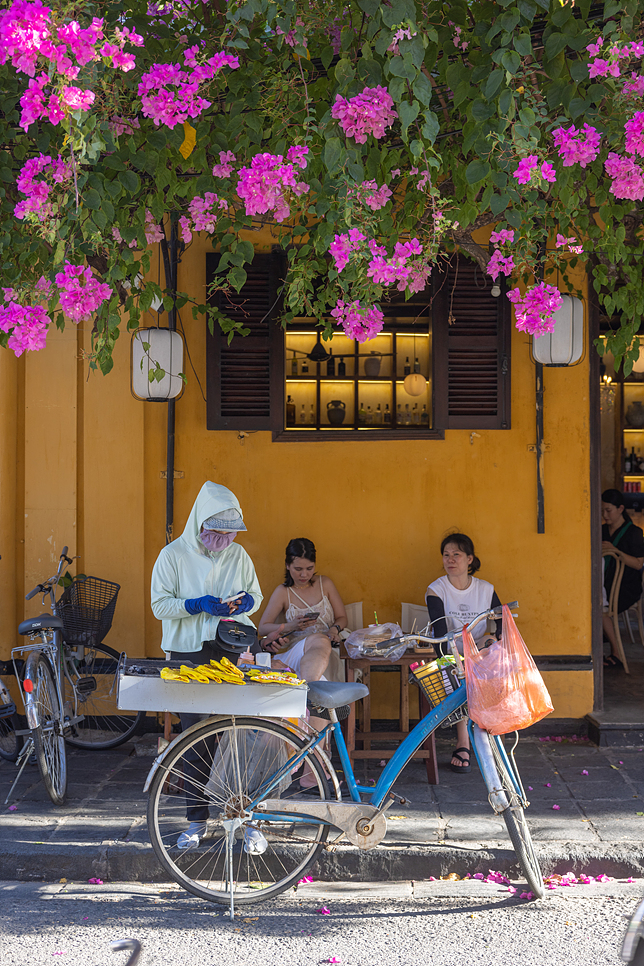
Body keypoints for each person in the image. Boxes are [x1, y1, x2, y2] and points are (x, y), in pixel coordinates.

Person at [151, 481, 263, 850]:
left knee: (237, 734)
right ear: (200, 524)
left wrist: (244, 602)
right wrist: (196, 605)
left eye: (230, 533)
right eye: (217, 533)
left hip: (229, 648)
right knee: (195, 738)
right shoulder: (172, 556)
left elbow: (257, 595)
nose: (224, 540)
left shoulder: (240, 555)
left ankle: (245, 819)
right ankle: (196, 822)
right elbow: (159, 605)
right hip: (187, 653)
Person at [258, 538, 347, 788]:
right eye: (298, 569)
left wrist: (334, 629)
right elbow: (263, 627)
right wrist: (290, 626)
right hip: (293, 650)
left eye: (309, 568)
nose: (304, 574)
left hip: (324, 650)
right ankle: (313, 759)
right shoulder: (283, 592)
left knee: (320, 650)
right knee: (315, 685)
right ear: (288, 566)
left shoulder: (325, 584)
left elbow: (342, 616)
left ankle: (303, 708)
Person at [426, 532, 500, 775]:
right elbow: (439, 634)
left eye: (456, 554)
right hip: (453, 652)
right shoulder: (436, 590)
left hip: (478, 649)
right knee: (460, 673)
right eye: (446, 555)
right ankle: (464, 742)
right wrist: (450, 659)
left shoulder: (486, 589)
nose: (450, 560)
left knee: (494, 654)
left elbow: (502, 624)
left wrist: (491, 640)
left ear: (470, 559)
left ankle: (489, 732)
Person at [601, 488, 644, 668]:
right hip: (606, 583)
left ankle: (616, 653)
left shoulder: (633, 532)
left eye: (608, 510)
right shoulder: (602, 530)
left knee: (597, 605)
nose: (605, 515)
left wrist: (616, 551)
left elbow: (638, 564)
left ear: (620, 509)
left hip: (627, 587)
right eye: (602, 510)